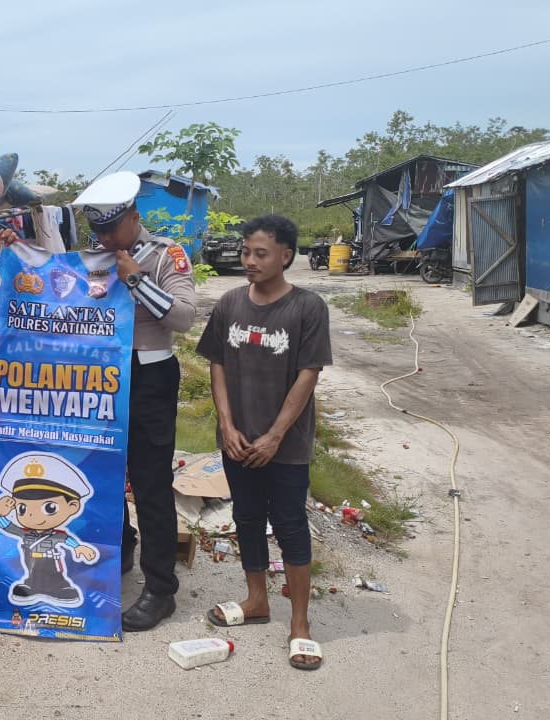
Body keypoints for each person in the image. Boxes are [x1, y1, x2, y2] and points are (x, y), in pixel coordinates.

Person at [197, 214, 332, 671]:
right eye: (246, 252)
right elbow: (216, 363)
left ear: (285, 256)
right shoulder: (230, 303)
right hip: (238, 441)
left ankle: (300, 624)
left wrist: (276, 435)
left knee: (290, 523)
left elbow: (307, 374)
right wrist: (228, 426)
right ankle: (256, 600)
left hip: (285, 445)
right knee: (247, 517)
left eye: (261, 253)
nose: (249, 261)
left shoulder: (307, 308)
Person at [69, 171, 196, 631]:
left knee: (150, 483)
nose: (103, 237)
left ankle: (161, 589)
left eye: (111, 228)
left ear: (134, 218)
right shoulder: (91, 258)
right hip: (100, 378)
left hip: (149, 376)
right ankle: (119, 549)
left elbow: (184, 318)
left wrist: (138, 281)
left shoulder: (166, 255)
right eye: (97, 230)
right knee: (101, 469)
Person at [0, 452, 98, 608]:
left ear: (72, 507)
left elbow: (66, 539)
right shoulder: (25, 533)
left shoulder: (56, 536)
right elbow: (8, 526)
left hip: (53, 567)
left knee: (57, 578)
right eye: (22, 508)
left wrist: (78, 547)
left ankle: (59, 588)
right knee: (33, 576)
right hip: (33, 569)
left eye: (49, 507)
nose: (32, 515)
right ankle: (31, 587)